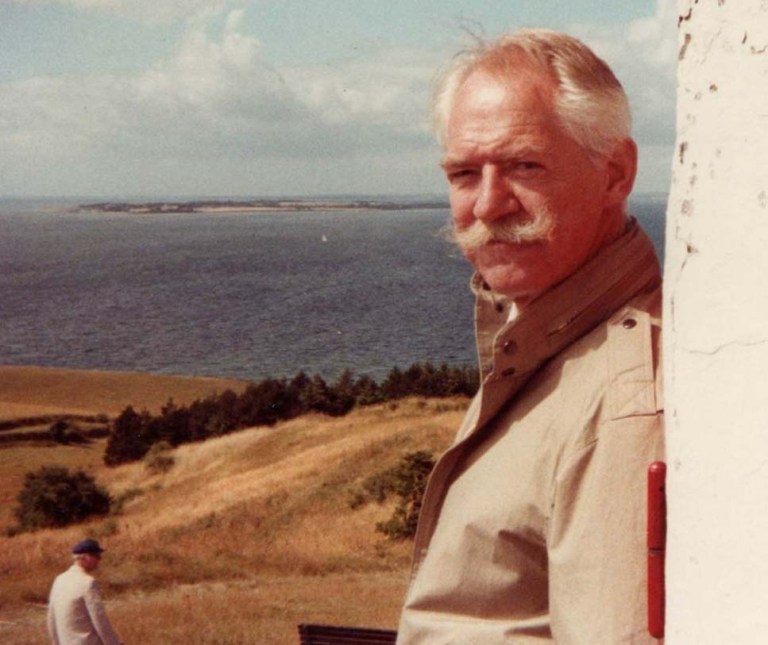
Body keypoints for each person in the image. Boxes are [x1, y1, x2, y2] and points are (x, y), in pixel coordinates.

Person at [397, 29, 664, 643]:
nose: (488, 204)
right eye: (465, 173)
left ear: (615, 174)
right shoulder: (547, 347)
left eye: (524, 166)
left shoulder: (625, 400)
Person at [47, 539, 123, 645]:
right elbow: (99, 620)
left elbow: (51, 618)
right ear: (86, 557)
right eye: (97, 556)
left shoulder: (59, 580)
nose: (99, 560)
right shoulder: (88, 583)